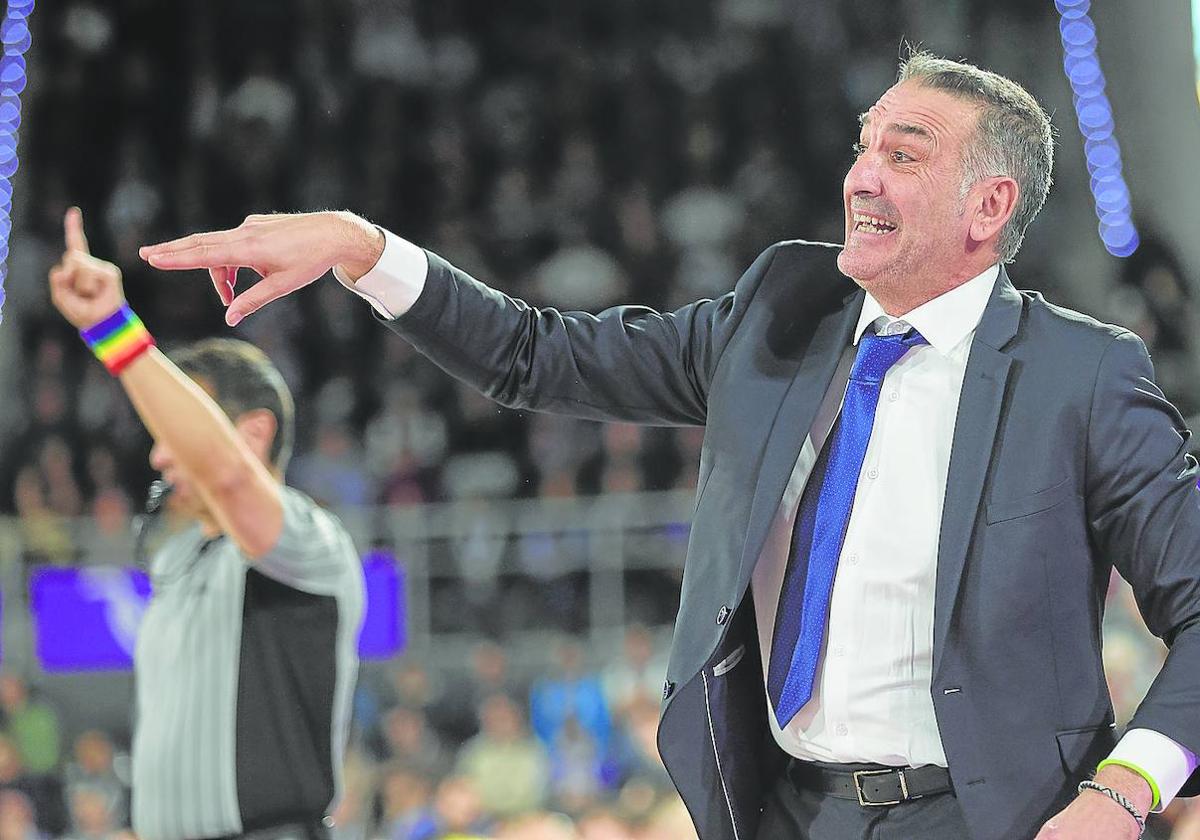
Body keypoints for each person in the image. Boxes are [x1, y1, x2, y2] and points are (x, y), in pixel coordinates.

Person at [138, 51, 1200, 840]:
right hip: (784, 809)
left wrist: (1125, 789)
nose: (862, 175)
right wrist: (361, 249)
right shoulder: (781, 312)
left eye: (904, 153)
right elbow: (535, 356)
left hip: (997, 817)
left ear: (991, 205)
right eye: (863, 144)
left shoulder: (1083, 375)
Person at [49, 208, 366, 840]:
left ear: (253, 435)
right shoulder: (177, 559)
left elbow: (226, 477)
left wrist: (114, 330)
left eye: (175, 433)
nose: (159, 455)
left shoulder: (312, 544)